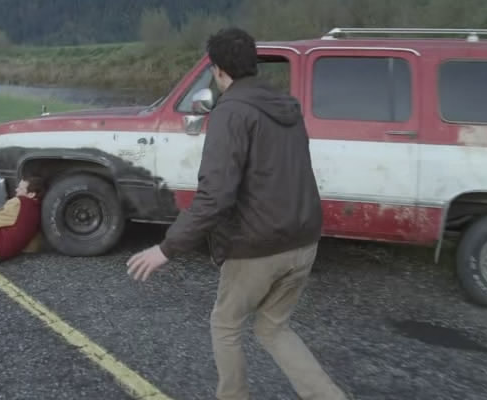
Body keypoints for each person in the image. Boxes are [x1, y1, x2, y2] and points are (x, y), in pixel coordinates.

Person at [126, 28, 348, 400]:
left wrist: (166, 249)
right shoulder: (287, 108)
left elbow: (215, 197)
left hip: (258, 247)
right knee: (273, 328)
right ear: (253, 63)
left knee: (226, 324)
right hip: (304, 240)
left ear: (217, 70)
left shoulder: (230, 113)